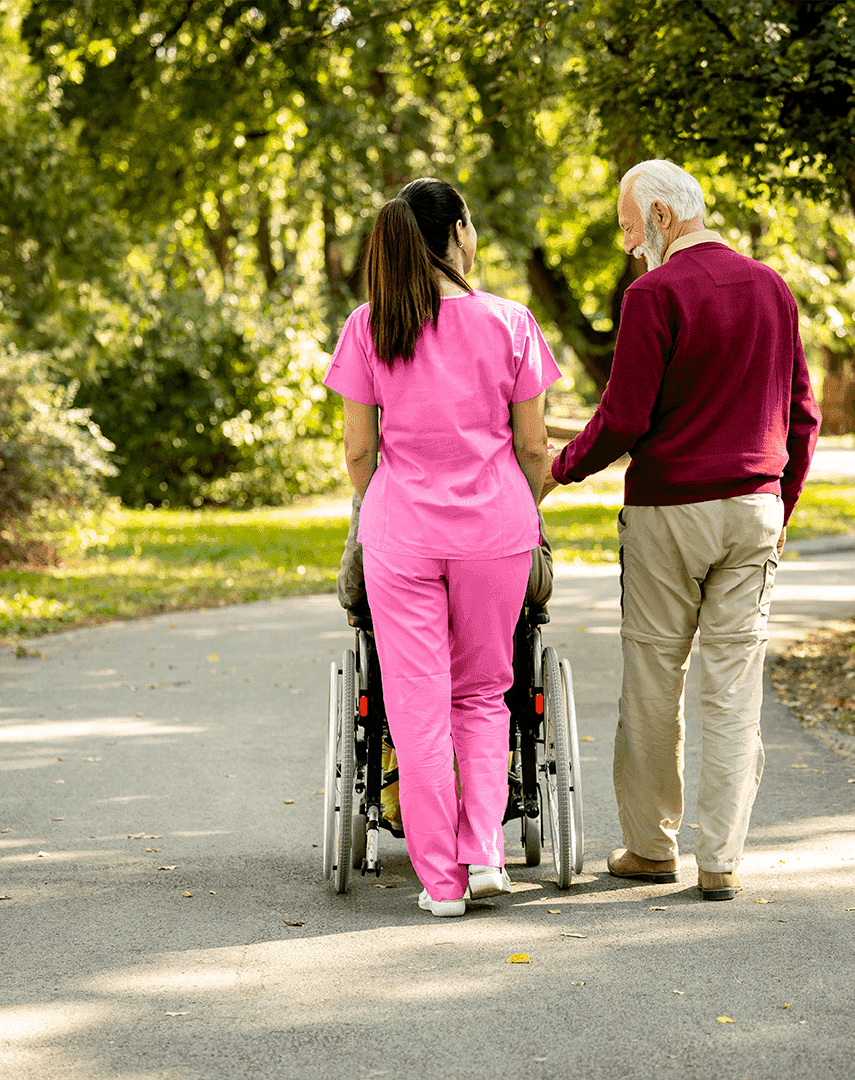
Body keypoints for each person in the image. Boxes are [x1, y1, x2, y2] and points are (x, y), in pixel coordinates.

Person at [540, 159, 820, 902]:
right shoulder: (772, 287)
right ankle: (720, 860)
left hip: (669, 514)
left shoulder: (655, 294)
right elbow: (803, 414)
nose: (630, 245)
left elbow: (625, 417)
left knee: (653, 682)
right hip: (752, 512)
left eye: (631, 230)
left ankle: (649, 848)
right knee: (733, 689)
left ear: (663, 217)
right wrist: (778, 507)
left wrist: (559, 470)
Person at [323, 177, 560, 918]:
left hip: (402, 534)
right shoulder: (510, 322)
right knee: (485, 694)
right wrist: (526, 507)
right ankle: (483, 853)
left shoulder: (370, 326)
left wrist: (379, 508)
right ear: (459, 229)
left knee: (416, 705)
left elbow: (358, 453)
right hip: (494, 531)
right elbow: (532, 446)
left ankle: (440, 883)